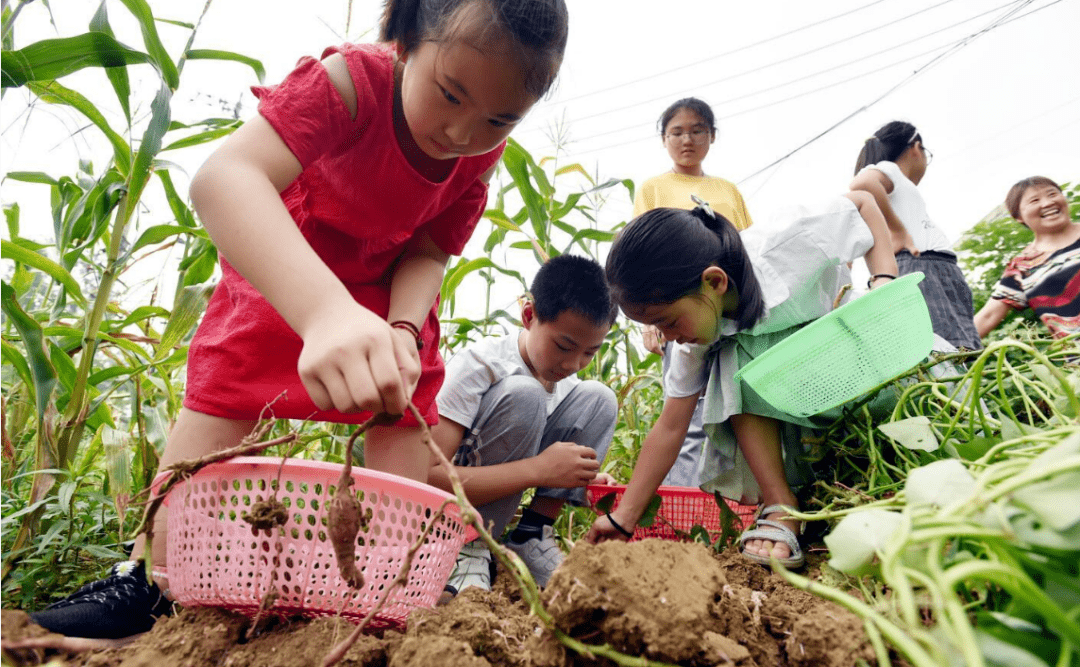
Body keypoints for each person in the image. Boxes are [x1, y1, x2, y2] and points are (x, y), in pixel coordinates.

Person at [30, 0, 569, 639]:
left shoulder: (479, 155)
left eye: (499, 118)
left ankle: (378, 597)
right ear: (404, 39)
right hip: (287, 276)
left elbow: (428, 250)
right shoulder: (346, 85)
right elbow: (225, 178)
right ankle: (148, 578)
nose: (461, 132)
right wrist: (322, 311)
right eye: (449, 94)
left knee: (402, 411)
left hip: (386, 300)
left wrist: (400, 328)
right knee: (219, 403)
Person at [585, 191, 900, 569]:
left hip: (858, 360)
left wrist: (883, 280)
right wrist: (623, 518)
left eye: (667, 322)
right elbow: (671, 426)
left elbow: (864, 202)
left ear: (714, 282)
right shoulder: (696, 336)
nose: (666, 337)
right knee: (731, 354)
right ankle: (781, 504)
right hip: (799, 398)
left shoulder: (789, 241)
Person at [430, 254, 618, 591]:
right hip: (447, 519)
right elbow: (427, 477)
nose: (574, 363)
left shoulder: (568, 387)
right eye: (564, 346)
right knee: (525, 394)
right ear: (529, 316)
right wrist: (539, 470)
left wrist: (578, 475)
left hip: (501, 493)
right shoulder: (479, 366)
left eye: (590, 352)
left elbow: (546, 460)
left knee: (600, 398)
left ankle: (532, 534)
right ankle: (470, 544)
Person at [634, 97, 754, 487]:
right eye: (677, 132)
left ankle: (729, 505)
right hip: (682, 318)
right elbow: (640, 255)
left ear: (712, 136)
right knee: (683, 414)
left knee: (736, 408)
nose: (688, 139)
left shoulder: (727, 190)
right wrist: (650, 322)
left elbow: (747, 247)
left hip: (730, 316)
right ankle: (679, 499)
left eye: (697, 130)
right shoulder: (653, 189)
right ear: (664, 139)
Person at [850, 120, 982, 351]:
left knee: (950, 348)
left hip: (928, 267)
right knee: (950, 349)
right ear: (915, 147)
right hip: (924, 266)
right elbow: (863, 182)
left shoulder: (892, 185)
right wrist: (898, 230)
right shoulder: (889, 169)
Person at [974, 176, 1079, 339]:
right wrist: (941, 352)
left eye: (1052, 194)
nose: (1047, 203)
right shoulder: (1023, 266)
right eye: (1034, 200)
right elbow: (989, 316)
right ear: (1019, 217)